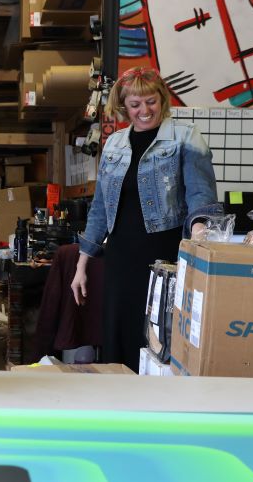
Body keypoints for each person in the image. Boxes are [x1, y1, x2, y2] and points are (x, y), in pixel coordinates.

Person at [70, 67, 222, 371]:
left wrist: (201, 231)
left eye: (150, 101)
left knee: (157, 339)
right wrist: (81, 263)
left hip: (164, 257)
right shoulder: (114, 144)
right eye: (135, 104)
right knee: (119, 335)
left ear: (162, 100)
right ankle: (118, 407)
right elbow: (100, 207)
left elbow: (200, 194)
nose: (144, 111)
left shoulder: (185, 137)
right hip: (120, 257)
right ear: (124, 106)